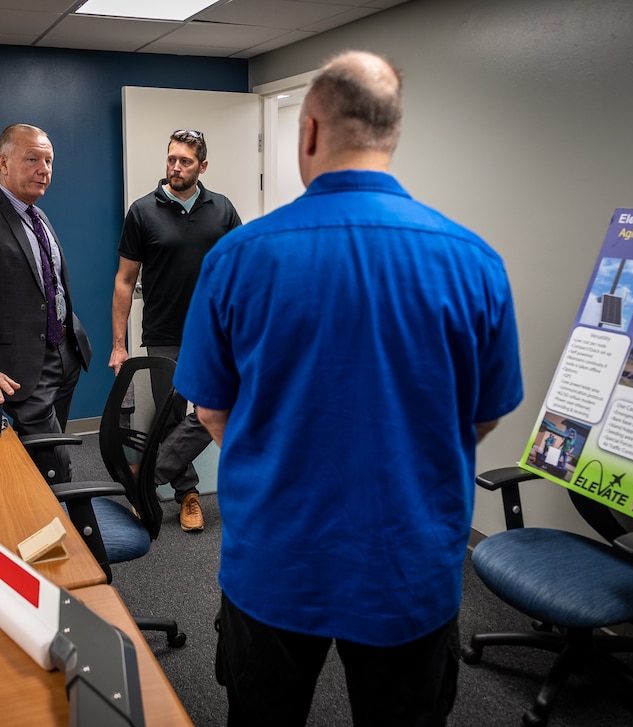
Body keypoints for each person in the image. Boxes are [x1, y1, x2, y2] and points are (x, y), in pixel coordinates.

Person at [174, 51, 523, 725]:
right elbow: (480, 418)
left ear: (308, 133)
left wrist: (282, 445)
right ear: (390, 136)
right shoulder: (474, 261)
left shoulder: (238, 258)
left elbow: (212, 410)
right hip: (409, 565)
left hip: (275, 559)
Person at [110, 129, 242, 532]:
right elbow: (124, 280)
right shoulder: (142, 211)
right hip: (163, 332)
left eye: (185, 161)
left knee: (212, 409)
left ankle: (145, 479)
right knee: (170, 415)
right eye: (171, 159)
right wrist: (119, 344)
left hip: (214, 335)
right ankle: (188, 495)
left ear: (202, 166)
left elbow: (241, 267)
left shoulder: (222, 209)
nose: (175, 167)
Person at [0, 123, 92, 480]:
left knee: (48, 452)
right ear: (3, 163)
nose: (44, 169)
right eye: (32, 159)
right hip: (23, 367)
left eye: (49, 161)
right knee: (55, 464)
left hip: (64, 355)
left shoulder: (37, 215)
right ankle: (55, 528)